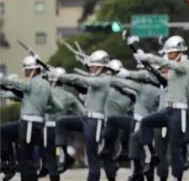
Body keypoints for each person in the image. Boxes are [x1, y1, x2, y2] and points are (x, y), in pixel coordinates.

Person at [137, 35, 189, 181]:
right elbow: (165, 78)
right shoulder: (173, 69)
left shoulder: (184, 66)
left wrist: (150, 57)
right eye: (167, 52)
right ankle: (151, 155)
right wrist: (149, 67)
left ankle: (176, 178)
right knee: (145, 123)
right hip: (168, 110)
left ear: (180, 52)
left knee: (175, 148)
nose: (168, 55)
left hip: (180, 111)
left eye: (171, 52)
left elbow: (171, 65)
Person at [55, 50, 111, 181]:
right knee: (62, 122)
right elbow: (82, 88)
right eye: (90, 66)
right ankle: (64, 155)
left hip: (95, 121)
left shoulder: (104, 80)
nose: (91, 68)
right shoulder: (94, 80)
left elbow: (81, 79)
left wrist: (62, 77)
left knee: (92, 157)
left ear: (102, 67)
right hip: (86, 118)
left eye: (94, 66)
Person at [0, 56, 59, 181]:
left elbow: (15, 83)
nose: (25, 73)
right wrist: (40, 108)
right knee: (26, 154)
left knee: (26, 158)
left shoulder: (31, 83)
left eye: (26, 70)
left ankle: (8, 163)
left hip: (28, 123)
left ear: (33, 70)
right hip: (39, 124)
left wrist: (2, 79)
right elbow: (57, 106)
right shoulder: (47, 86)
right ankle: (8, 163)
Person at [111, 59, 162, 181]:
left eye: (142, 70)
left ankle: (134, 172)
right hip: (152, 123)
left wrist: (111, 73)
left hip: (142, 122)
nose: (139, 72)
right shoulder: (158, 88)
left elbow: (121, 82)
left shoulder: (143, 87)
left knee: (137, 147)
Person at [42, 67, 84, 181]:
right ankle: (66, 159)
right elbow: (82, 112)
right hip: (63, 130)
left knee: (50, 157)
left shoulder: (46, 93)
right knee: (60, 154)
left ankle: (54, 173)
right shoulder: (69, 96)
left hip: (48, 128)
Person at [101, 59, 136, 181]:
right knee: (109, 152)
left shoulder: (108, 86)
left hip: (110, 123)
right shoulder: (128, 86)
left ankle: (113, 172)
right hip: (121, 121)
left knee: (107, 151)